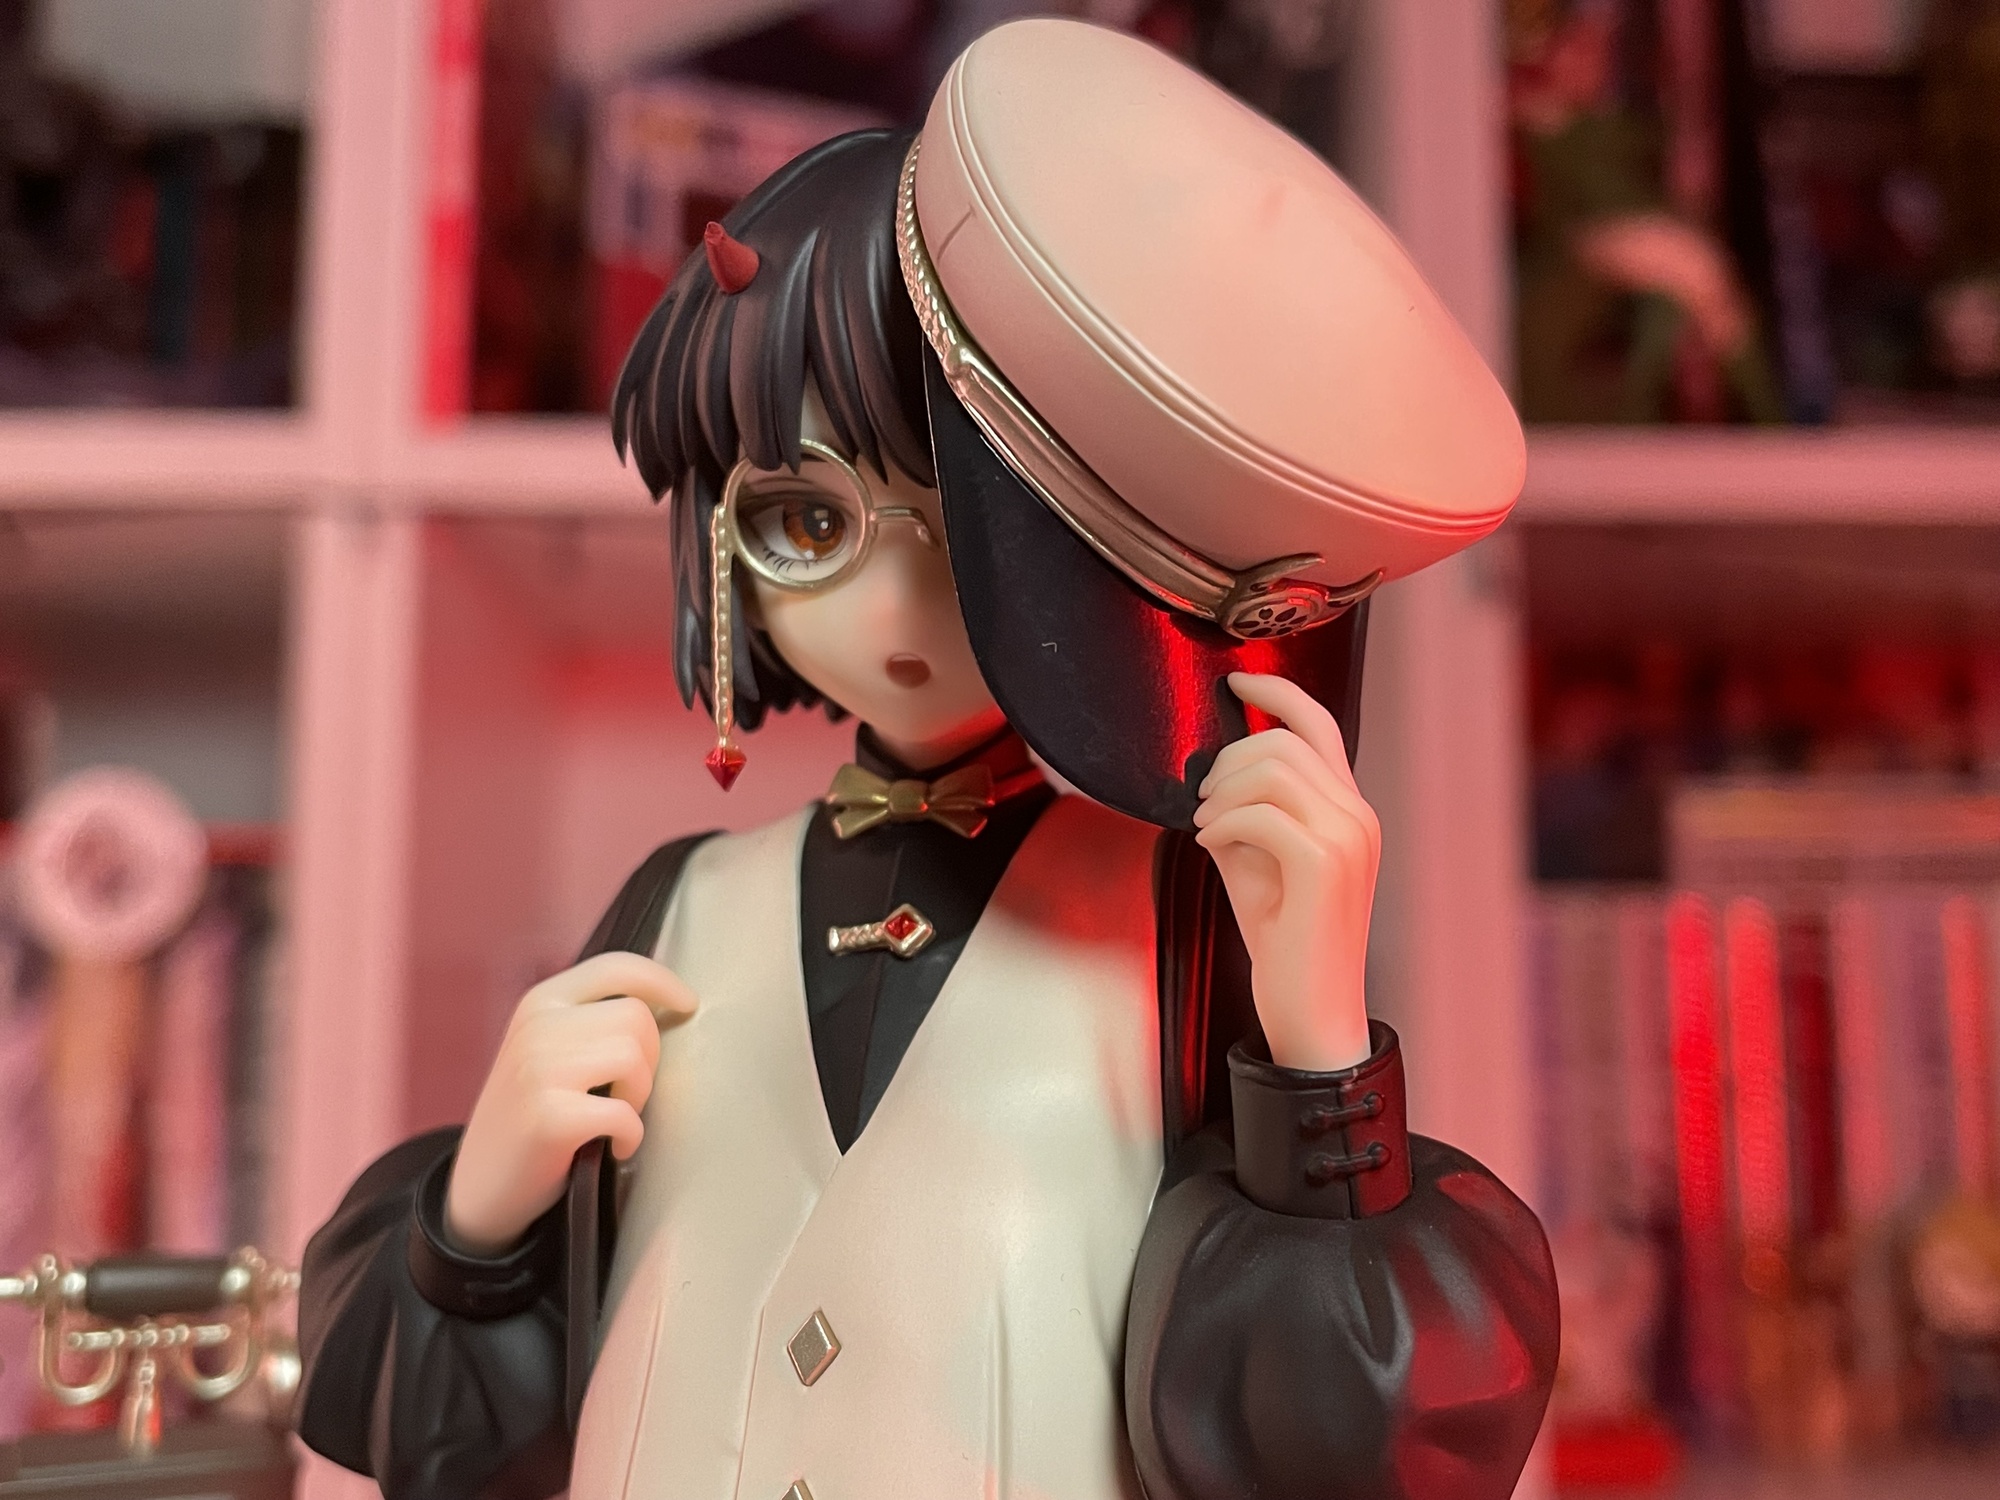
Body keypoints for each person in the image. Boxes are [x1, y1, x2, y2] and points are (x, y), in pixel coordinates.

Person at [295, 21, 1557, 1500]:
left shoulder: (1177, 906)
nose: (892, 612)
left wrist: (1322, 1063)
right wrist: (478, 1219)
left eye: (961, 530)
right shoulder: (683, 907)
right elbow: (462, 1429)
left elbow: (1333, 1436)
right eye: (807, 523)